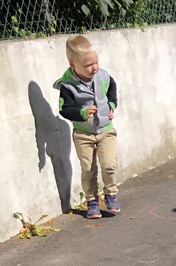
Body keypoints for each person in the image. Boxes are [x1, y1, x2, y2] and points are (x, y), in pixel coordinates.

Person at [55, 35, 120, 220]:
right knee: (88, 169)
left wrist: (112, 106)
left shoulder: (103, 75)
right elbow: (64, 110)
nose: (94, 68)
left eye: (96, 62)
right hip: (83, 134)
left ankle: (111, 193)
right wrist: (82, 113)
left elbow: (112, 90)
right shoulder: (67, 85)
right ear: (73, 64)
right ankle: (92, 201)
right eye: (88, 65)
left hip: (106, 130)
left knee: (109, 165)